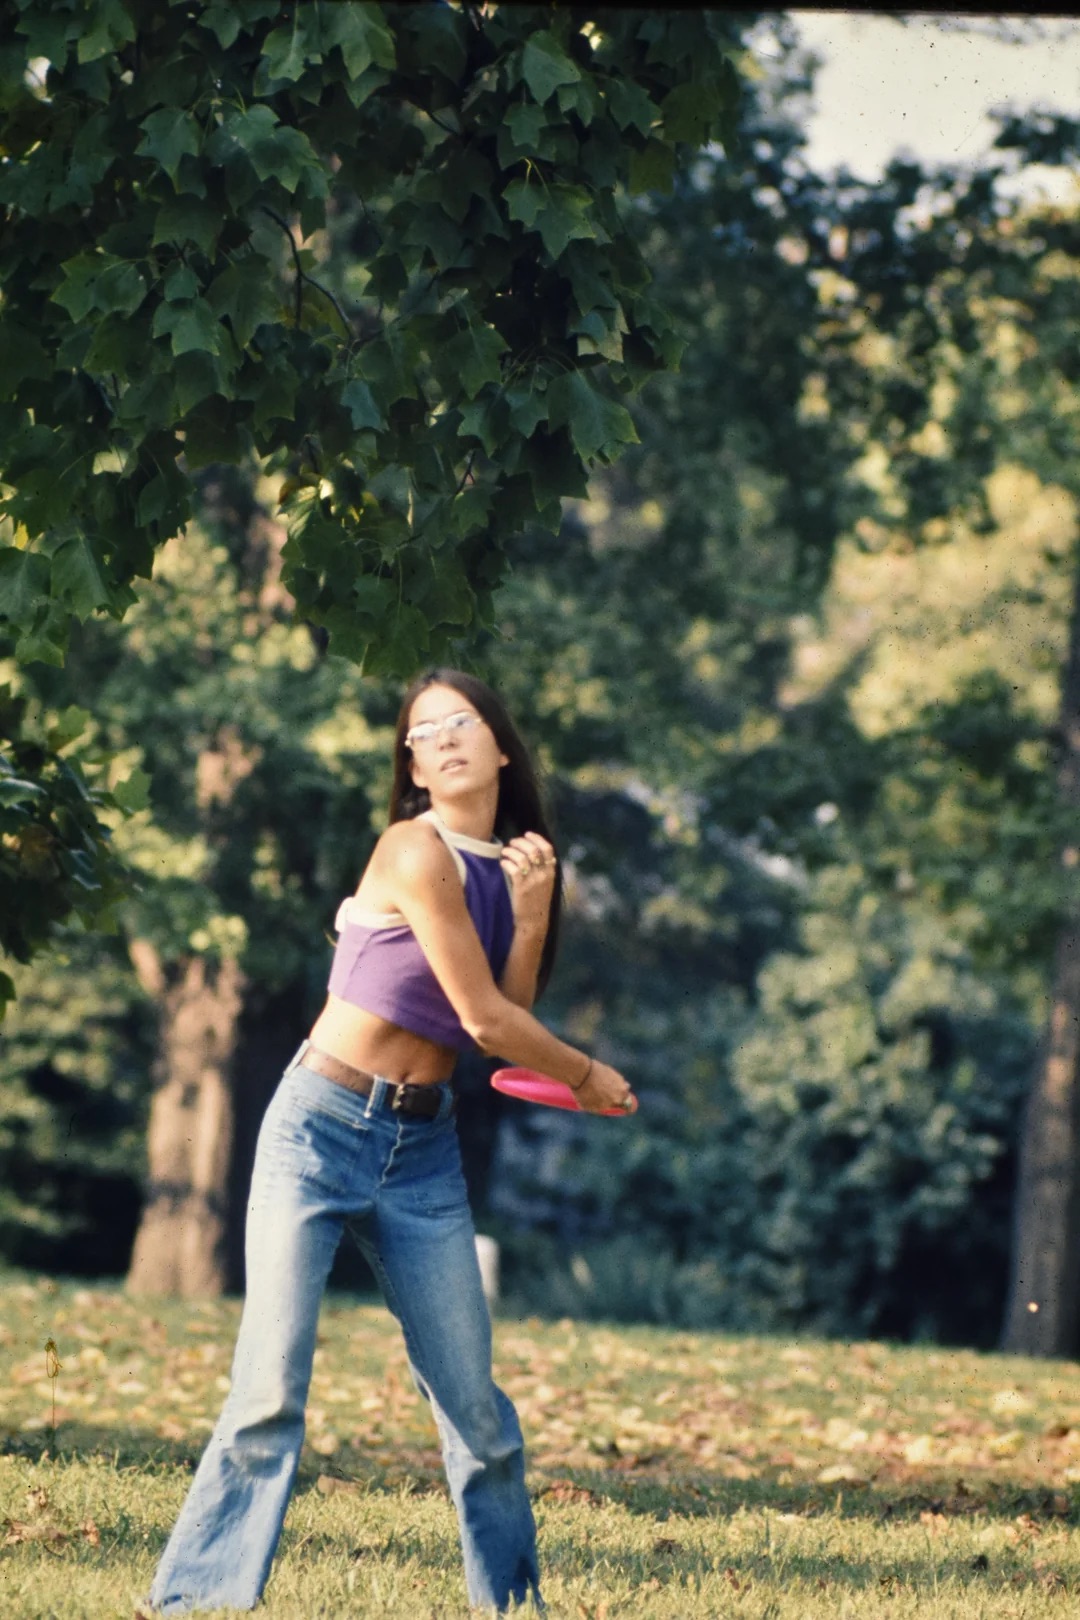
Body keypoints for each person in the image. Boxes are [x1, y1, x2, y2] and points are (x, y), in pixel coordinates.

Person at [146, 669, 635, 1616]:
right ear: (411, 764)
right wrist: (586, 1073)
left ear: (500, 746)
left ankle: (512, 1605)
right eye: (423, 732)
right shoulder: (411, 850)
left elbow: (505, 1011)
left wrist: (532, 914)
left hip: (422, 1154)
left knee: (480, 1421)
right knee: (268, 1398)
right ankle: (193, 1605)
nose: (445, 739)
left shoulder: (511, 868)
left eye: (463, 723)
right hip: (320, 1127)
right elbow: (489, 1024)